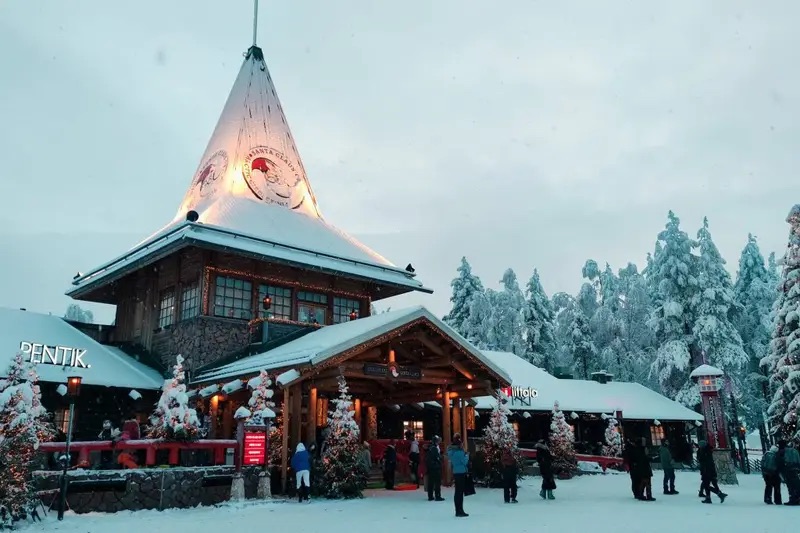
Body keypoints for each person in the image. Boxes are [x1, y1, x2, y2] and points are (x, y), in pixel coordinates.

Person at [447, 433, 469, 517]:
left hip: (456, 472)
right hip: (461, 472)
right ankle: (460, 510)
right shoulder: (459, 452)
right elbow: (464, 461)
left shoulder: (451, 451)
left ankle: (458, 510)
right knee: (460, 493)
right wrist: (466, 455)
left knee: (457, 492)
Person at [776, 440, 800, 505]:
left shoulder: (782, 451)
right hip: (796, 469)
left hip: (787, 470)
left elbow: (779, 461)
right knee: (797, 484)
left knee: (790, 485)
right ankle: (798, 498)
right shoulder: (794, 450)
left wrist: (779, 470)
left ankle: (792, 499)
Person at [425, 435, 444, 501]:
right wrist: (439, 460)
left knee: (431, 482)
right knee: (437, 482)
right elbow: (437, 458)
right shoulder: (434, 448)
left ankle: (430, 496)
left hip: (431, 467)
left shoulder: (430, 447)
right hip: (435, 467)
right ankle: (437, 496)